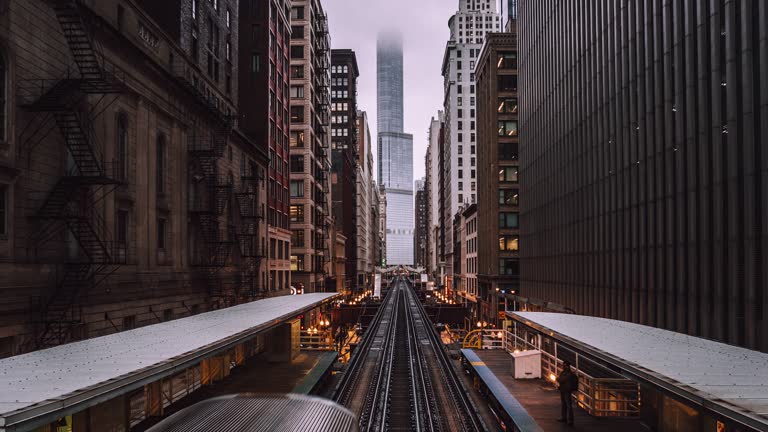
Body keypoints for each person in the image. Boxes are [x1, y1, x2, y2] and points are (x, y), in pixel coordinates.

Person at [556, 360, 578, 425]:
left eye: (564, 365)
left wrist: (558, 379)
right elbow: (561, 379)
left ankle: (569, 420)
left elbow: (561, 379)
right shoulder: (566, 373)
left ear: (567, 366)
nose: (563, 366)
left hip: (567, 391)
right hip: (564, 390)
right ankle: (565, 418)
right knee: (565, 405)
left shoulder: (568, 374)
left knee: (568, 405)